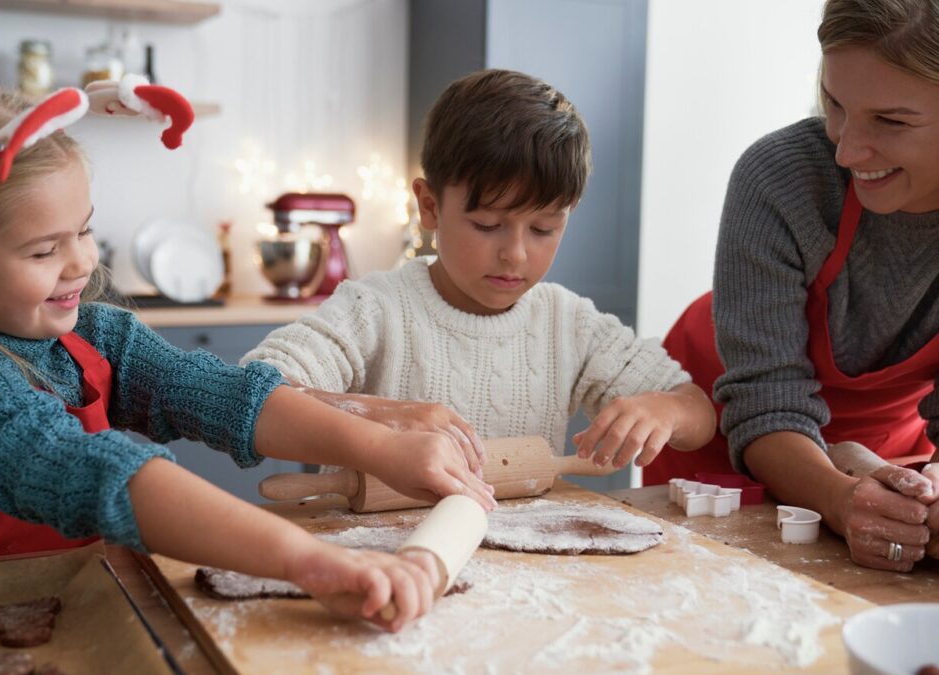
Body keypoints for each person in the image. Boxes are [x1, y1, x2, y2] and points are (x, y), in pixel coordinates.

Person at [0, 82, 495, 632]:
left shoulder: (95, 334)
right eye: (42, 250)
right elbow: (102, 474)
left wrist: (380, 448)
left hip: (70, 601)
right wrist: (307, 559)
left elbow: (216, 394)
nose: (83, 263)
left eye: (83, 230)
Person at [242, 69, 716, 475]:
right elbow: (252, 390)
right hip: (382, 558)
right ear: (430, 206)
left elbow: (698, 413)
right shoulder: (375, 309)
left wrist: (665, 409)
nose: (515, 253)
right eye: (488, 225)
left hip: (522, 566)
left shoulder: (569, 325)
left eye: (543, 229)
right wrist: (385, 417)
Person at [644, 0, 939, 573]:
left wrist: (911, 498)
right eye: (835, 103)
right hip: (723, 428)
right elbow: (766, 403)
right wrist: (836, 496)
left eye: (891, 121)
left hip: (888, 448)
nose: (847, 149)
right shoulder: (782, 177)